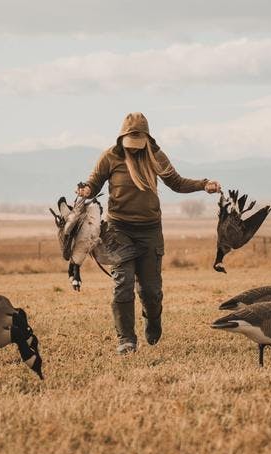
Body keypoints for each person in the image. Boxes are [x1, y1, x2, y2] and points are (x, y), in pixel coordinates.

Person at [78, 112, 220, 354]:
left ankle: (153, 319)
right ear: (121, 138)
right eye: (129, 144)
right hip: (118, 229)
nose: (133, 149)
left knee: (150, 291)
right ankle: (126, 340)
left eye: (138, 144)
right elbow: (94, 183)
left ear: (147, 139)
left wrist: (202, 184)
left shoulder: (155, 155)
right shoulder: (110, 157)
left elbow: (175, 182)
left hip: (150, 230)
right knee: (122, 284)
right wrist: (85, 189)